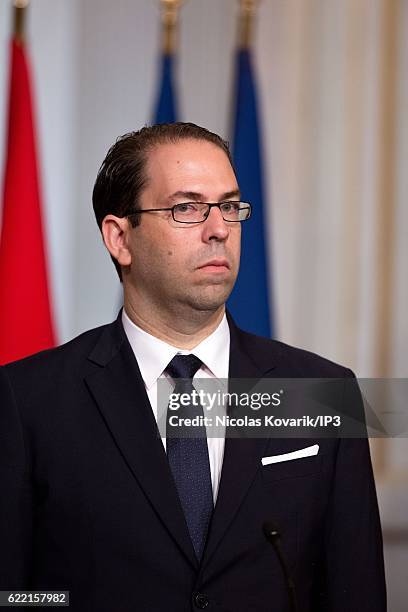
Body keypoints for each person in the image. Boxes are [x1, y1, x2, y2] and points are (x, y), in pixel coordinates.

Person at [0, 122, 386, 611]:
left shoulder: (323, 390)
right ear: (120, 238)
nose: (219, 228)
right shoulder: (28, 400)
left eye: (229, 206)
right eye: (187, 208)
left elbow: (358, 590)